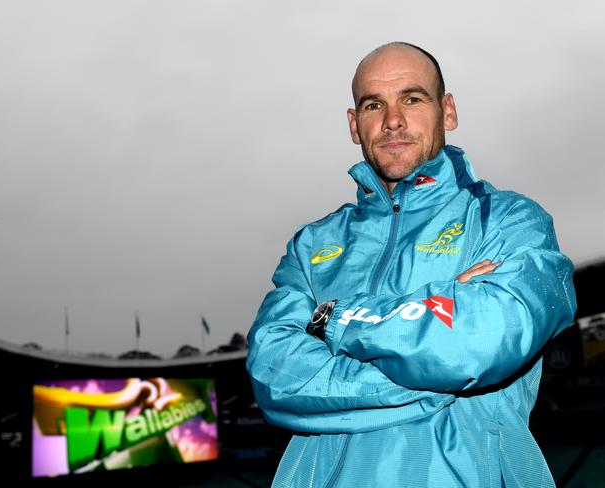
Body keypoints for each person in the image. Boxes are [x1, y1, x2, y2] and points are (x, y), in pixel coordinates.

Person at [246, 42, 576, 488]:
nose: (392, 119)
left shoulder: (509, 219)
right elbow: (275, 376)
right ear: (353, 124)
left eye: (412, 98)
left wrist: (331, 318)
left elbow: (480, 341)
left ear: (448, 111)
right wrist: (440, 319)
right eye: (373, 104)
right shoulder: (312, 244)